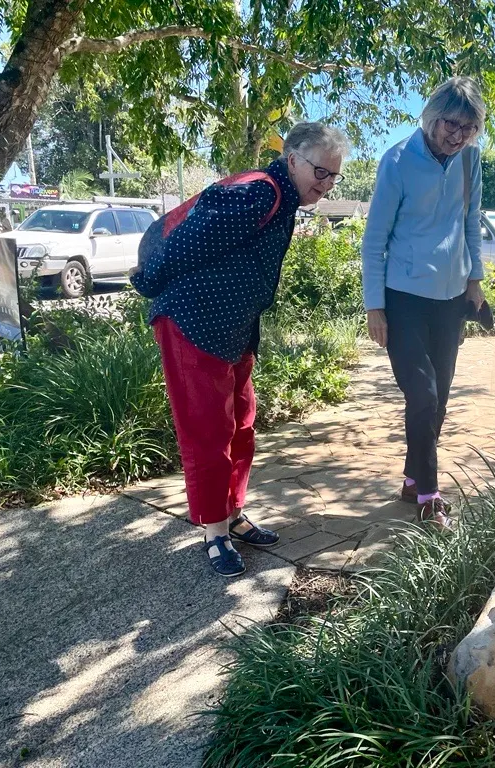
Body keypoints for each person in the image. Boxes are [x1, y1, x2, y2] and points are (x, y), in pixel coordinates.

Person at [133, 122, 349, 576]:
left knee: (241, 426)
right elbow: (186, 247)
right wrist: (147, 284)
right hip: (194, 323)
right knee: (207, 431)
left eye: (334, 176)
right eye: (320, 172)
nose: (326, 184)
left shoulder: (283, 200)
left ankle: (231, 512)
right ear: (291, 159)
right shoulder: (258, 193)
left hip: (233, 329)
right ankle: (215, 530)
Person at [361, 77, 486, 530]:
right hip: (404, 298)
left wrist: (476, 281)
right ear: (431, 116)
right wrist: (375, 306)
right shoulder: (397, 160)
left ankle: (414, 478)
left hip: (450, 298)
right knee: (422, 394)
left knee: (441, 398)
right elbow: (374, 239)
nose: (458, 135)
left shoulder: (471, 160)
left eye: (468, 128)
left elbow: (471, 222)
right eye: (451, 124)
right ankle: (430, 496)